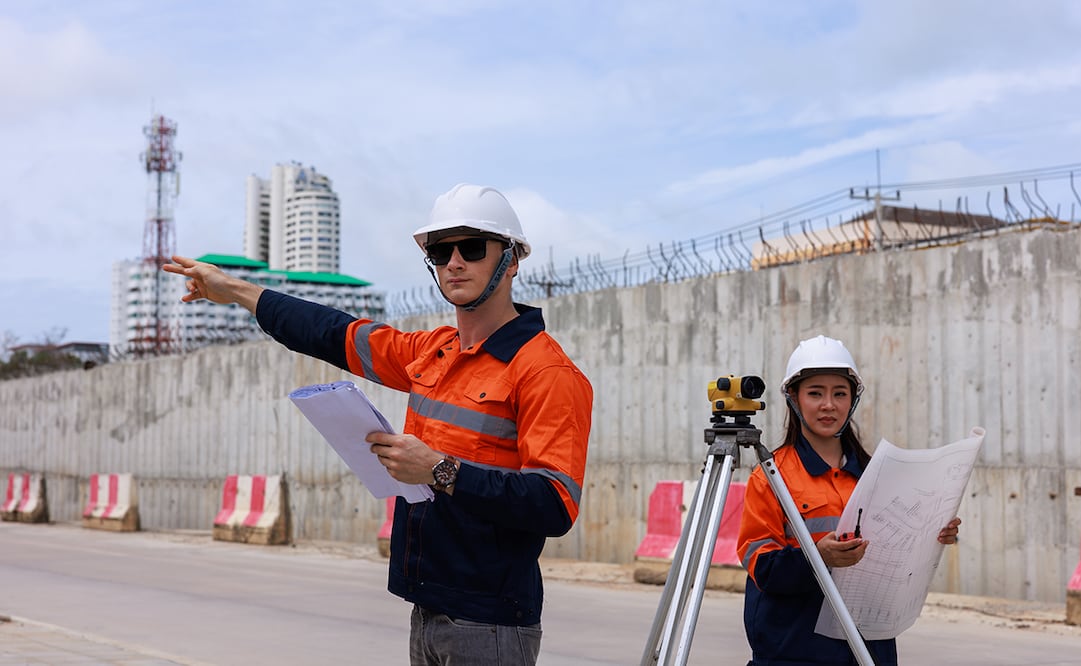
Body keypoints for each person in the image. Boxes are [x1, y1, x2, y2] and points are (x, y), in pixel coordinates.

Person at [164, 183, 593, 665]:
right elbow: (332, 333)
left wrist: (438, 469)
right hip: (428, 609)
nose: (454, 262)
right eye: (440, 250)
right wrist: (237, 291)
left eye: (472, 247)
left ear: (511, 260)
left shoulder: (546, 372)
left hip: (489, 620)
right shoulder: (433, 353)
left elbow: (554, 506)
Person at [736, 335, 961, 666]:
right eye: (815, 393)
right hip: (794, 649)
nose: (829, 405)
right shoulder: (772, 477)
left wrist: (933, 534)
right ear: (794, 399)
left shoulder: (879, 474)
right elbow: (763, 567)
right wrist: (819, 557)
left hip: (868, 648)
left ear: (852, 400)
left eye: (840, 393)